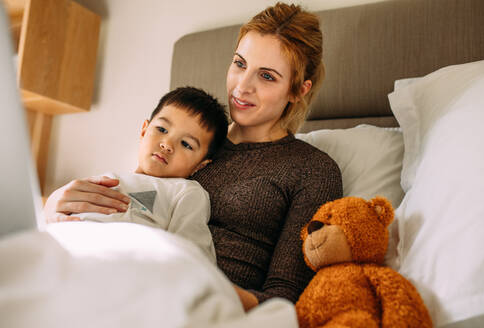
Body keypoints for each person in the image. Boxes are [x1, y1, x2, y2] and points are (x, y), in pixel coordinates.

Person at [44, 3, 343, 311]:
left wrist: (188, 284)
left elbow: (288, 296)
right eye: (240, 64)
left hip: (199, 303)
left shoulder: (312, 170)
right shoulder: (183, 140)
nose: (242, 87)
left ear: (298, 90)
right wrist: (56, 206)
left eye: (266, 76)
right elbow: (129, 203)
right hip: (117, 277)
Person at [50, 86, 229, 264]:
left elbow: (193, 257)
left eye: (186, 144)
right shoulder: (108, 178)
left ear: (199, 166)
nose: (167, 144)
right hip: (65, 247)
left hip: (115, 262)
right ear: (144, 130)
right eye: (162, 129)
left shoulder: (185, 191)